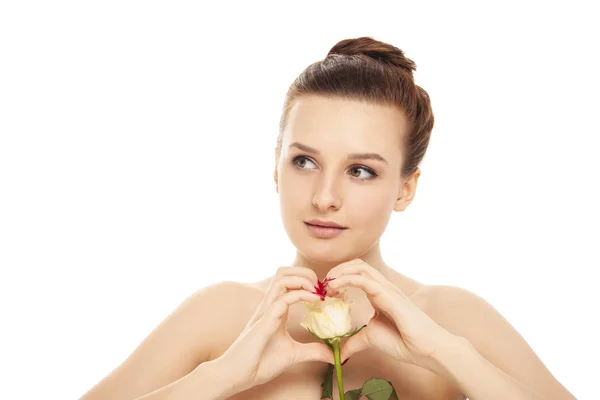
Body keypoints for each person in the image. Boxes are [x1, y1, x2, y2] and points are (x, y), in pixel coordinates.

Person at [79, 36, 575, 400]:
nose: (324, 197)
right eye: (304, 162)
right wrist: (223, 377)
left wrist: (446, 354)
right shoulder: (222, 315)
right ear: (276, 170)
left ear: (406, 188)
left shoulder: (450, 318)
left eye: (360, 170)